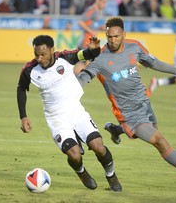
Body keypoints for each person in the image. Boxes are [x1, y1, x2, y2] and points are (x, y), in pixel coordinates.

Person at [77, 16, 176, 187]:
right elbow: (84, 77)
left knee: (154, 132)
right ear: (106, 35)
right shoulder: (100, 58)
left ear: (123, 35)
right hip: (128, 114)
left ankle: (116, 129)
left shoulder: (135, 46)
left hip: (145, 104)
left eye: (116, 36)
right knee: (159, 141)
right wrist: (69, 89)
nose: (112, 40)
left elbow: (154, 63)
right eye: (109, 37)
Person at [17, 35, 122, 192]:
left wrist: (93, 50)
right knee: (74, 155)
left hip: (76, 111)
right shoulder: (29, 70)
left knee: (98, 147)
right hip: (56, 118)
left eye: (43, 54)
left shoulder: (65, 57)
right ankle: (81, 172)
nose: (39, 58)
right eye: (36, 54)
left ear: (52, 50)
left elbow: (87, 54)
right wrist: (23, 116)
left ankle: (111, 176)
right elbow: (21, 89)